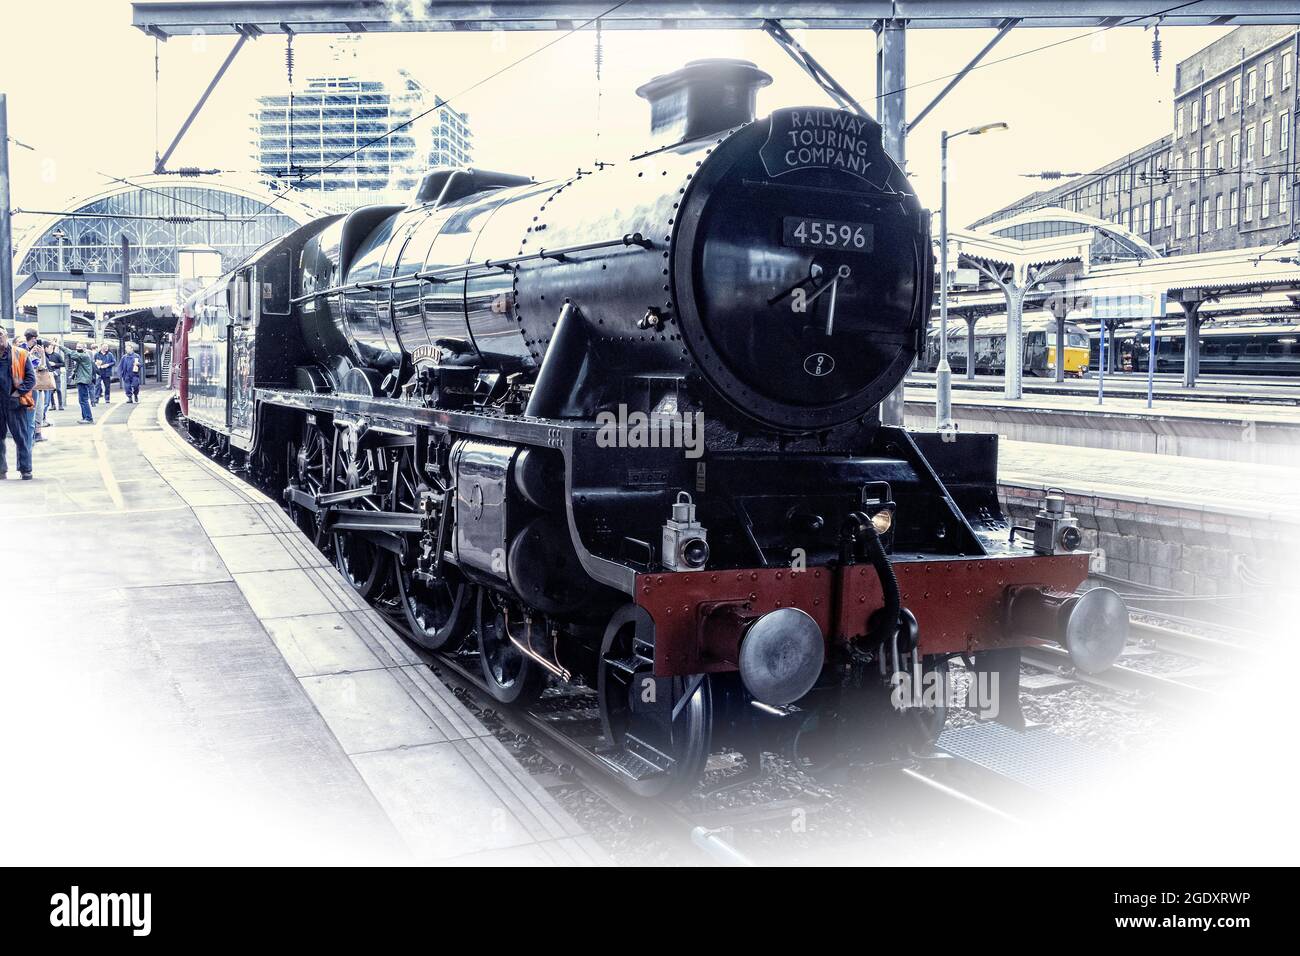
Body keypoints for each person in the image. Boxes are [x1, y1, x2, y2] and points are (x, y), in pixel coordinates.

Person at [0, 326, 36, 479]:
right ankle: (1, 470)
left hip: (15, 402)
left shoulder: (20, 353)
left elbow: (31, 379)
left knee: (21, 436)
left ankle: (25, 469)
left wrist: (17, 393)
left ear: (6, 335)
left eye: (0, 334)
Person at [21, 330, 51, 444]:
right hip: (27, 386)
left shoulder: (34, 351)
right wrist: (30, 353)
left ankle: (35, 435)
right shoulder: (22, 348)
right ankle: (29, 438)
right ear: (33, 338)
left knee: (38, 410)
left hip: (36, 385)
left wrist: (42, 354)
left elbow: (41, 366)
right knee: (29, 413)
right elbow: (21, 363)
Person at [66, 339, 96, 424]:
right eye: (77, 347)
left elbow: (71, 353)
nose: (77, 348)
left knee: (84, 400)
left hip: (83, 380)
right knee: (82, 400)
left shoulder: (84, 356)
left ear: (84, 348)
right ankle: (85, 417)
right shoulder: (82, 356)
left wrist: (58, 346)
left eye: (79, 347)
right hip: (82, 380)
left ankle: (88, 418)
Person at [44, 339, 67, 413]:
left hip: (56, 374)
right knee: (50, 391)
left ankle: (60, 405)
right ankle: (53, 405)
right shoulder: (45, 355)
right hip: (49, 375)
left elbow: (63, 364)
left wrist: (55, 364)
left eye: (51, 346)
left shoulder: (57, 355)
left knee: (58, 389)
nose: (50, 347)